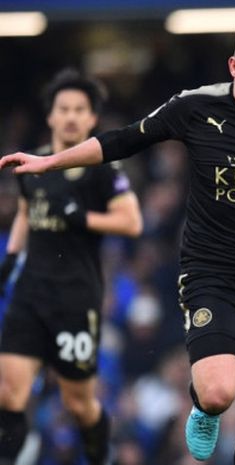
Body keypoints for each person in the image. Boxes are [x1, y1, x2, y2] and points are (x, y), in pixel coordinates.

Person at [0, 18, 235, 464]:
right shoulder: (195, 107)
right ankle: (202, 406)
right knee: (217, 392)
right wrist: (50, 161)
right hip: (211, 273)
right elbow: (124, 140)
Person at [0, 69, 143, 465]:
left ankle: (99, 457)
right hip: (29, 294)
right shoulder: (34, 164)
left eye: (80, 110)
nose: (71, 117)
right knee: (8, 397)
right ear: (50, 116)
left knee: (78, 404)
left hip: (75, 300)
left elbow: (132, 222)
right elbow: (27, 213)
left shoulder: (104, 169)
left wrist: (83, 218)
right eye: (64, 109)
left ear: (92, 119)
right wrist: (10, 260)